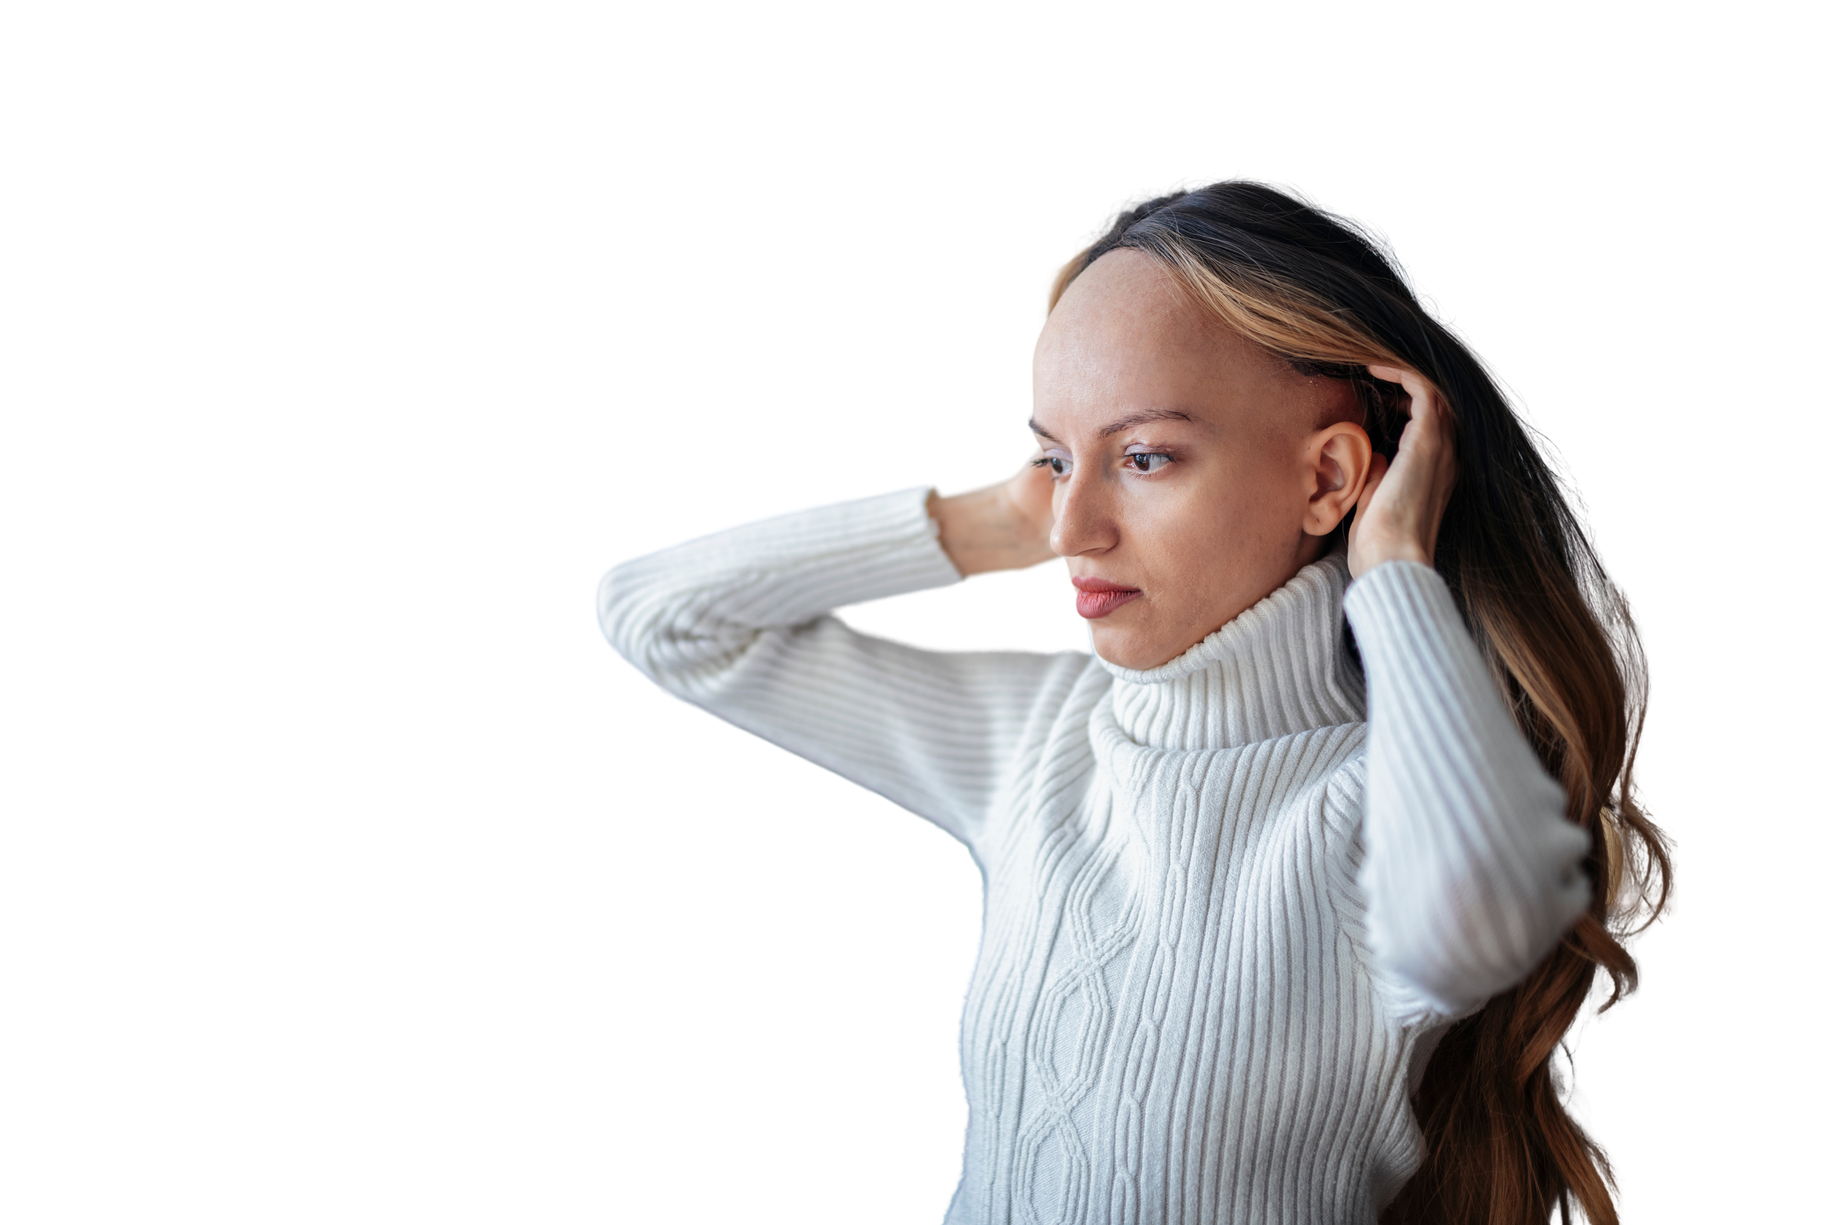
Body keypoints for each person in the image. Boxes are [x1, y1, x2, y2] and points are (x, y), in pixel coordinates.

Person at [591, 173, 1680, 1225]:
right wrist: (994, 521)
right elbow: (657, 619)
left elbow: (1482, 926)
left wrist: (1390, 564)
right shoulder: (1038, 736)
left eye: (1147, 455)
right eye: (1053, 456)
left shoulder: (1380, 800)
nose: (1073, 533)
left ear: (1329, 480)